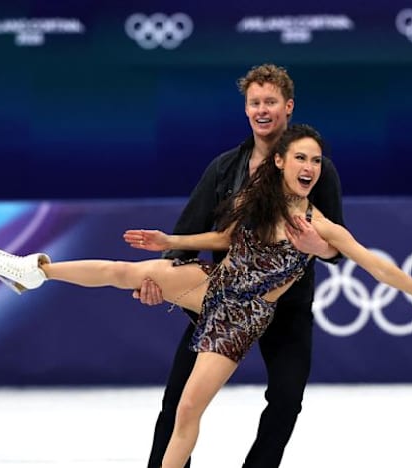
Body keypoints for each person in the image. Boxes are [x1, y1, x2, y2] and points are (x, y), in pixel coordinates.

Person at [0, 124, 412, 468]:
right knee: (122, 271)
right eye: (300, 157)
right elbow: (221, 239)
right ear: (280, 161)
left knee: (189, 409)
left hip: (242, 319)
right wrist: (172, 244)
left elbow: (378, 267)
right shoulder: (253, 198)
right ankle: (33, 271)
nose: (309, 166)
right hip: (211, 285)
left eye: (316, 160)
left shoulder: (323, 227)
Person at [141, 63, 344, 468]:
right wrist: (163, 279)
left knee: (287, 399)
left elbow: (336, 247)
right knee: (178, 400)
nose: (262, 110)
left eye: (271, 101)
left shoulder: (313, 167)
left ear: (288, 106)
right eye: (255, 102)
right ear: (246, 109)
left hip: (285, 307)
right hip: (224, 301)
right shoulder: (224, 169)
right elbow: (189, 231)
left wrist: (317, 245)